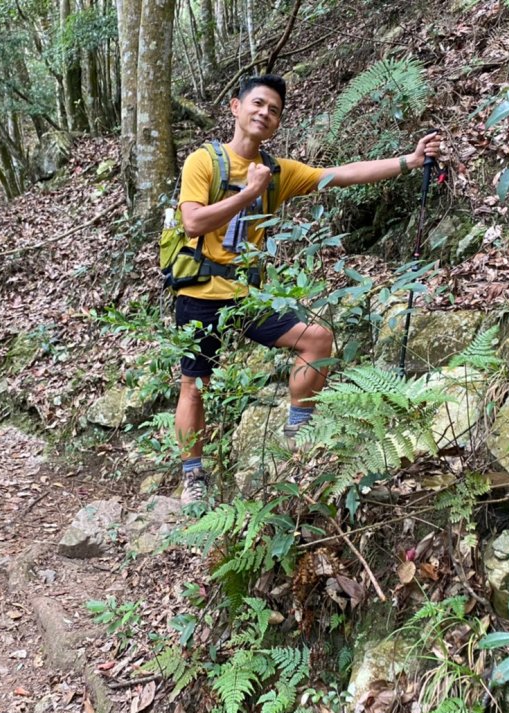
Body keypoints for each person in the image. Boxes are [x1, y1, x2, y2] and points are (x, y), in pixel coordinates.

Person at [175, 73, 441, 506]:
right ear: (235, 108)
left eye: (274, 110)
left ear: (278, 123)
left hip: (246, 296)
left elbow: (342, 175)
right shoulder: (203, 163)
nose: (265, 113)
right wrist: (250, 193)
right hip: (199, 293)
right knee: (195, 384)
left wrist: (408, 162)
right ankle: (193, 476)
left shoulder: (279, 172)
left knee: (317, 340)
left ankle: (299, 433)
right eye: (258, 104)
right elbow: (193, 223)